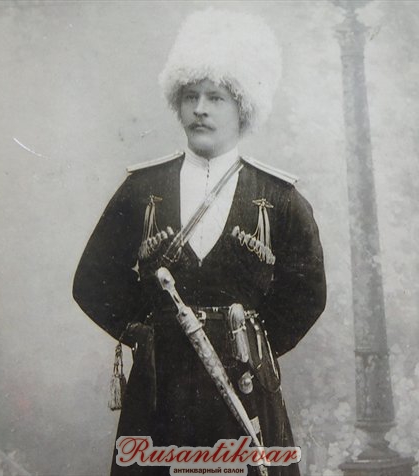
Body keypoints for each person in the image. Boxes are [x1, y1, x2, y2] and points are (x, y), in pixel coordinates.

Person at [73, 9, 326, 476]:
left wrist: (250, 341)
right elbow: (92, 280)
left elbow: (307, 295)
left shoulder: (280, 199)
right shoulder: (141, 189)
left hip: (244, 389)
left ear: (242, 106)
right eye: (190, 96)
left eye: (215, 97)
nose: (200, 109)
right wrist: (145, 332)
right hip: (159, 391)